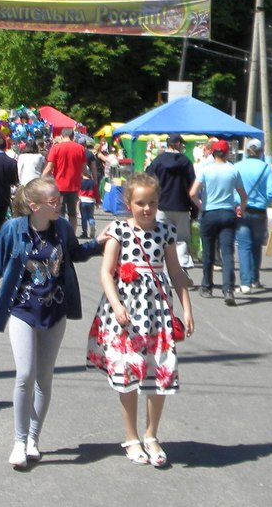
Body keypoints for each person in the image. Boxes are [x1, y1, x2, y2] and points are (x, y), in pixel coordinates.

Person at [0, 177, 104, 469]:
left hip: (55, 311)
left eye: (58, 200)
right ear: (34, 206)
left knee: (44, 378)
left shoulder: (63, 228)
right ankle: (18, 441)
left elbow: (75, 253)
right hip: (22, 310)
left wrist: (99, 244)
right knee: (25, 374)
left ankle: (33, 439)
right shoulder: (13, 230)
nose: (59, 205)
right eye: (53, 201)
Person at [86, 173, 194, 468]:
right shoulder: (118, 230)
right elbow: (107, 272)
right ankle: (132, 437)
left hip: (158, 312)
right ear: (129, 203)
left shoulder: (167, 231)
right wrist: (117, 304)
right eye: (140, 203)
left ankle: (152, 435)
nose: (147, 208)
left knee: (159, 370)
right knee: (127, 373)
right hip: (125, 314)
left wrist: (186, 308)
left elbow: (176, 274)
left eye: (152, 202)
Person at [190, 139, 247, 305]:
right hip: (228, 214)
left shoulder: (205, 170)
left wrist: (201, 206)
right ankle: (228, 289)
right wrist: (240, 209)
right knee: (227, 252)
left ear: (212, 153)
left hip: (210, 213)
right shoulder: (233, 170)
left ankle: (207, 286)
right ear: (227, 153)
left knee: (208, 252)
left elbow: (193, 193)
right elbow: (244, 196)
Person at [145, 133, 197, 268]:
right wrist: (195, 209)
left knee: (161, 237)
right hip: (182, 206)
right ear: (178, 144)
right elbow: (193, 185)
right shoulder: (186, 162)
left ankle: (163, 269)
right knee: (181, 239)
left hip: (161, 206)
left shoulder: (159, 161)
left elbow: (147, 177)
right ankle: (182, 266)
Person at [235, 138, 272, 294]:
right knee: (256, 245)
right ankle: (255, 279)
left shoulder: (238, 166)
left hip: (241, 209)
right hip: (259, 212)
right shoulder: (266, 168)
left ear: (247, 151)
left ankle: (245, 283)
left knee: (243, 246)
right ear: (261, 152)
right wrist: (263, 202)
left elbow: (232, 189)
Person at [42, 128, 87, 227]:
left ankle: (60, 236)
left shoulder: (55, 147)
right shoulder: (80, 148)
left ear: (62, 136)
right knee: (72, 213)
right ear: (73, 136)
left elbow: (49, 168)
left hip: (59, 186)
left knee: (59, 213)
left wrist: (41, 180)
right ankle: (72, 236)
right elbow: (84, 170)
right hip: (74, 185)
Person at [78, 166, 98, 238]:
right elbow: (96, 193)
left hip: (83, 201)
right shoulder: (93, 183)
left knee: (84, 217)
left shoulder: (80, 182)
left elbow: (78, 192)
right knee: (91, 216)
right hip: (91, 201)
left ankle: (84, 232)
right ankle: (92, 224)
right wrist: (97, 202)